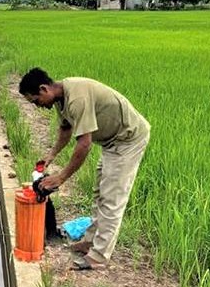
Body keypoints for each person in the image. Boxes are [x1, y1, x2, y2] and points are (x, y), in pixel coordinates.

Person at [19, 68, 150, 270]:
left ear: (44, 89)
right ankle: (90, 241)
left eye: (36, 101)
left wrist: (61, 178)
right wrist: (51, 156)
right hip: (110, 142)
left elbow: (84, 144)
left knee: (111, 198)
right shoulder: (60, 99)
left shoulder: (76, 98)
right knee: (100, 193)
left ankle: (98, 257)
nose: (37, 106)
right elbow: (65, 128)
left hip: (128, 139)